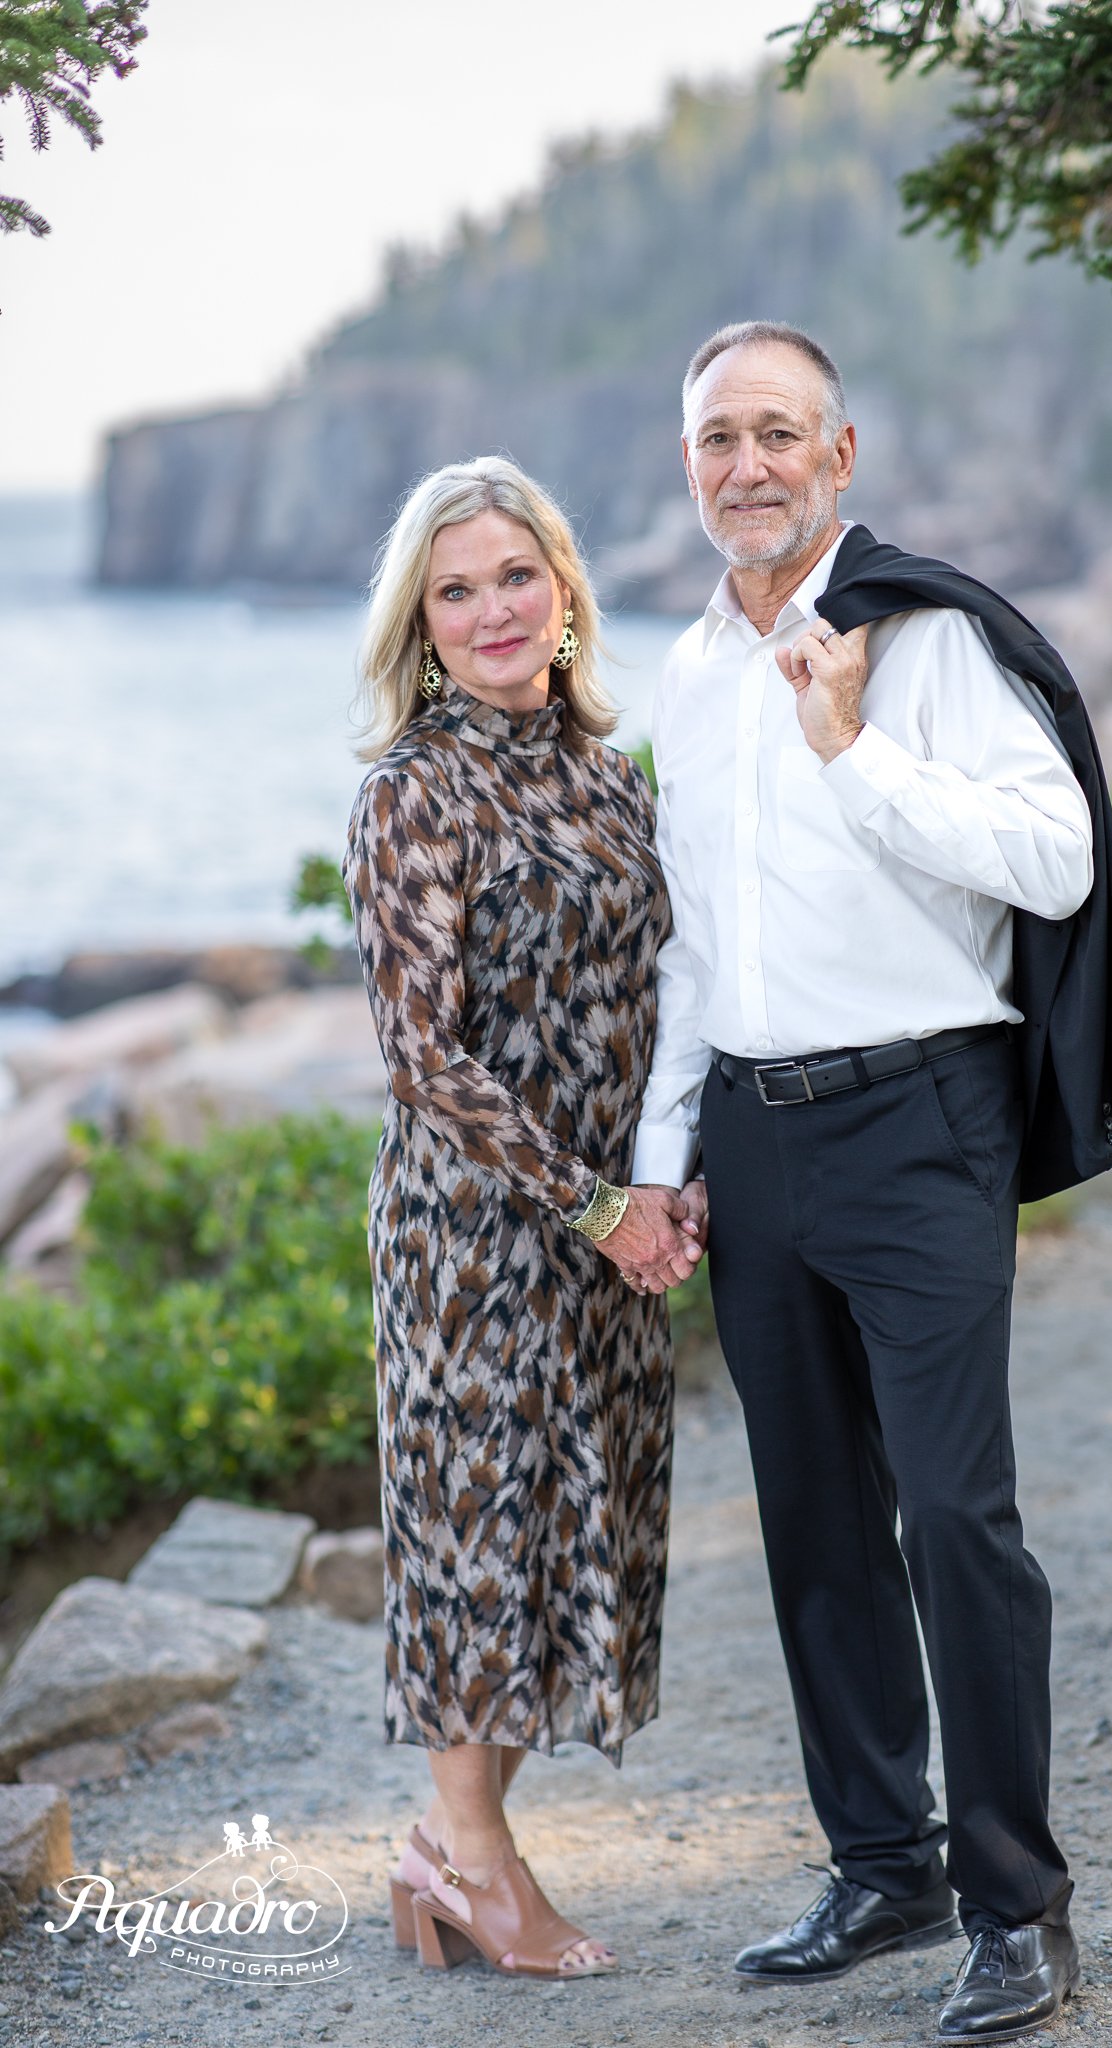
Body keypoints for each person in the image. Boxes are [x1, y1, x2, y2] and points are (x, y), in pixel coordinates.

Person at [629, 320, 1112, 2041]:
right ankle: (884, 1866)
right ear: (691, 465)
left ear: (838, 458)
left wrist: (856, 752)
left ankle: (1016, 1905)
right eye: (717, 438)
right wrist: (666, 1159)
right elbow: (688, 950)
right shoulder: (691, 673)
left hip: (921, 1113)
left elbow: (1059, 856)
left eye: (777, 433)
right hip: (759, 1138)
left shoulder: (921, 638)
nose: (746, 466)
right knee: (811, 1527)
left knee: (951, 1517)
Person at [342, 456, 705, 1981]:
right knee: (476, 1537)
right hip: (479, 1234)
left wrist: (669, 1179)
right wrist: (592, 1205)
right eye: (455, 589)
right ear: (420, 625)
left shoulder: (607, 774)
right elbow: (423, 1052)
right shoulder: (410, 788)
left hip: (612, 1214)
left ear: (562, 589)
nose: (492, 610)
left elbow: (668, 983)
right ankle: (477, 1867)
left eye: (513, 577)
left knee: (563, 1531)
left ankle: (442, 1853)